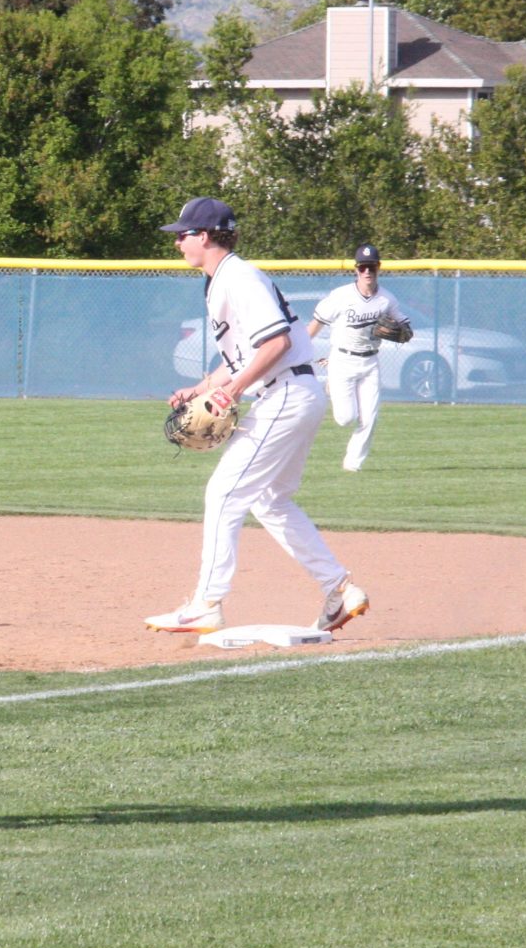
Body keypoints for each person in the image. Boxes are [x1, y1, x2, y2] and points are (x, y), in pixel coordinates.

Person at [147, 197, 369, 636]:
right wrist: (202, 387)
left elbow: (276, 345)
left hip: (285, 393)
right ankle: (339, 589)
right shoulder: (224, 280)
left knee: (225, 493)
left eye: (183, 234)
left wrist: (230, 390)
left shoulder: (239, 278)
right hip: (293, 393)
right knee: (270, 500)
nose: (177, 242)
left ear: (205, 236)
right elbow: (247, 354)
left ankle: (206, 603)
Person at [308, 242, 409, 473]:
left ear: (378, 268)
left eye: (371, 267)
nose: (367, 272)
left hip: (370, 361)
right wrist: (299, 350)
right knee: (345, 418)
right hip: (342, 360)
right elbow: (315, 326)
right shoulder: (341, 296)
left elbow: (404, 325)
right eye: (363, 267)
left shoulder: (386, 299)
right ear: (356, 269)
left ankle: (353, 465)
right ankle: (332, 385)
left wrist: (403, 330)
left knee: (369, 418)